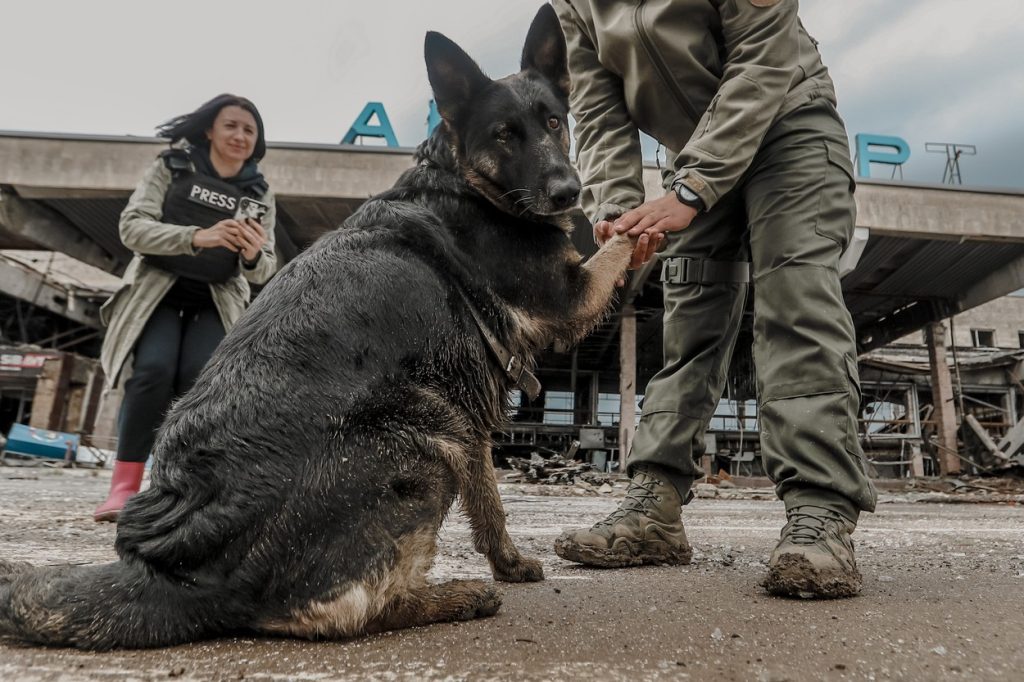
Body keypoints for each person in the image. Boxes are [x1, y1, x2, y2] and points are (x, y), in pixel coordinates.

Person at [552, 0, 877, 598]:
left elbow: (760, 59)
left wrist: (692, 187)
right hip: (695, 152)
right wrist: (619, 209)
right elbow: (597, 106)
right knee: (690, 319)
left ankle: (821, 512)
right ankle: (655, 507)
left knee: (795, 300)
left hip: (789, 127)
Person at [94, 94, 278, 522]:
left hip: (215, 300)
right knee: (153, 372)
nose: (240, 135)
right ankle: (123, 487)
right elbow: (131, 228)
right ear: (210, 130)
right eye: (231, 125)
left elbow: (265, 268)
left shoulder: (259, 193)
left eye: (249, 130)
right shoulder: (170, 167)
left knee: (199, 386)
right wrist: (199, 236)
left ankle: (174, 488)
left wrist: (253, 255)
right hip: (158, 293)